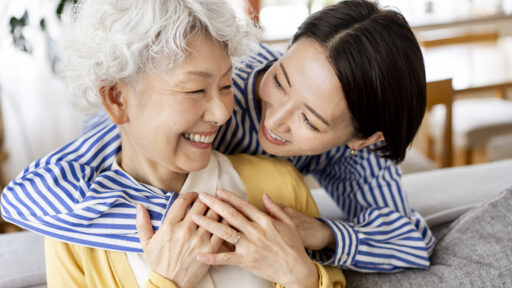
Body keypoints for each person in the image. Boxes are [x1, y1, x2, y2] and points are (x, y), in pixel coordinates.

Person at [1, 0, 434, 272]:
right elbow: (29, 192)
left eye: (311, 120)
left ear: (361, 139)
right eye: (281, 80)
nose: (276, 120)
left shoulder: (354, 155)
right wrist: (194, 227)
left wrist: (318, 233)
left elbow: (412, 241)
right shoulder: (218, 83)